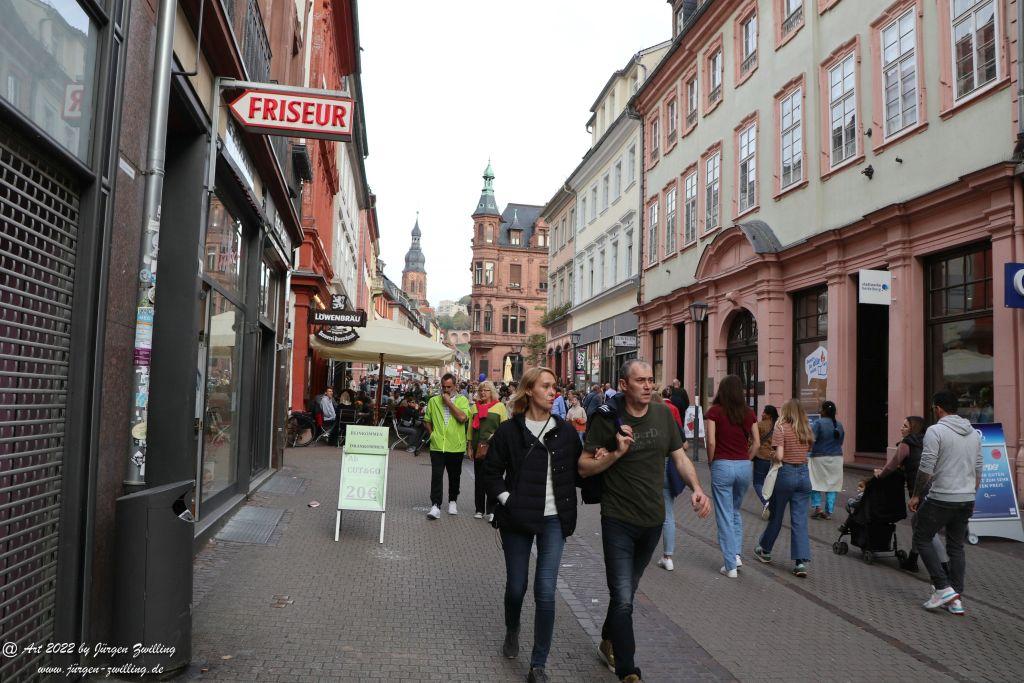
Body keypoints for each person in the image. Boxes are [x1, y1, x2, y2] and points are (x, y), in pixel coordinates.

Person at [579, 359, 711, 683]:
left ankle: (608, 639)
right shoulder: (607, 418)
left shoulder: (663, 414)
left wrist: (697, 488)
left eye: (651, 379)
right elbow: (583, 466)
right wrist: (615, 454)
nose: (649, 385)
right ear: (624, 385)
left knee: (626, 591)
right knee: (623, 596)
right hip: (617, 519)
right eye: (641, 380)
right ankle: (628, 670)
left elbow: (680, 457)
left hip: (653, 521)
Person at [483, 367, 582, 683]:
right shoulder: (510, 431)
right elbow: (490, 472)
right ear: (529, 390)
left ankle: (538, 665)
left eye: (555, 387)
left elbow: (581, 470)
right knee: (516, 587)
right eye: (546, 386)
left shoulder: (565, 431)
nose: (553, 392)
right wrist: (507, 499)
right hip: (517, 518)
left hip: (554, 519)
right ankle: (512, 628)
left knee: (546, 590)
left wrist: (610, 455)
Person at [909, 390, 982, 615]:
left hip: (942, 496)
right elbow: (979, 467)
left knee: (921, 536)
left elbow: (926, 467)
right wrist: (972, 492)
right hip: (966, 498)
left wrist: (916, 494)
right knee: (956, 546)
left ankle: (942, 587)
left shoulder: (936, 431)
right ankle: (956, 598)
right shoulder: (973, 433)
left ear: (938, 408)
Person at [874, 416, 947, 572]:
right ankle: (912, 559)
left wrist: (880, 475)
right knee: (916, 523)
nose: (901, 428)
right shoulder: (928, 442)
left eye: (905, 426)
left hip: (922, 490)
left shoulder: (907, 444)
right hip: (937, 487)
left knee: (928, 530)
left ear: (913, 429)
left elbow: (892, 465)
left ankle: (945, 568)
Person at [705, 375, 758, 578]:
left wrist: (711, 462)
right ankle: (736, 554)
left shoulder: (714, 412)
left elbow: (711, 441)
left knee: (724, 515)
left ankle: (730, 565)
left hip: (722, 464)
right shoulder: (748, 413)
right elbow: (757, 442)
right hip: (744, 466)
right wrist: (747, 459)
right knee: (735, 511)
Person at [755, 399, 814, 578]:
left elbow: (780, 455)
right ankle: (800, 563)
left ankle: (765, 550)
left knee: (776, 515)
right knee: (799, 520)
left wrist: (773, 455)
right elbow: (808, 450)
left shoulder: (781, 428)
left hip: (785, 474)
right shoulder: (806, 429)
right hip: (804, 475)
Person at [422, 373, 471, 520]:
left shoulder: (462, 400)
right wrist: (432, 435)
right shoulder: (433, 401)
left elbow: (462, 418)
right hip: (438, 446)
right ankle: (435, 505)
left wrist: (449, 402)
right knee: (436, 476)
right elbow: (427, 420)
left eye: (449, 387)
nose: (446, 389)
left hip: (456, 446)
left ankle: (452, 501)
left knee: (454, 476)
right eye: (443, 386)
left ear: (455, 386)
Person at [652, 389, 686, 572]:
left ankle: (640, 550)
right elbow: (684, 444)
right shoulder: (669, 420)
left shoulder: (645, 421)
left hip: (651, 468)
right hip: (668, 469)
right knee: (668, 514)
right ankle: (668, 556)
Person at [467, 381, 508, 521]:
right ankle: (479, 509)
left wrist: (496, 436)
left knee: (493, 479)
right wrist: (469, 446)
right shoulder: (474, 407)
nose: (483, 392)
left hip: (495, 449)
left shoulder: (499, 406)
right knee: (479, 479)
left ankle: (492, 510)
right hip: (478, 448)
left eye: (486, 390)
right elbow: (470, 429)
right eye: (481, 390)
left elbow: (504, 427)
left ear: (492, 392)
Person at [808, 400, 845, 520]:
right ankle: (829, 512)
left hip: (819, 457)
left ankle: (818, 508)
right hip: (837, 458)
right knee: (832, 485)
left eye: (821, 409)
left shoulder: (818, 423)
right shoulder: (839, 425)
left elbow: (811, 440)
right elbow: (840, 442)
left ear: (823, 411)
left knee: (815, 482)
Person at [753, 405, 779, 506]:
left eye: (764, 412)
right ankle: (773, 504)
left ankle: (766, 502)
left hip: (761, 457)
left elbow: (752, 441)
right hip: (774, 458)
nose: (762, 414)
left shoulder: (759, 425)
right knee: (771, 483)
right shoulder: (778, 425)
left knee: (758, 483)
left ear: (769, 415)